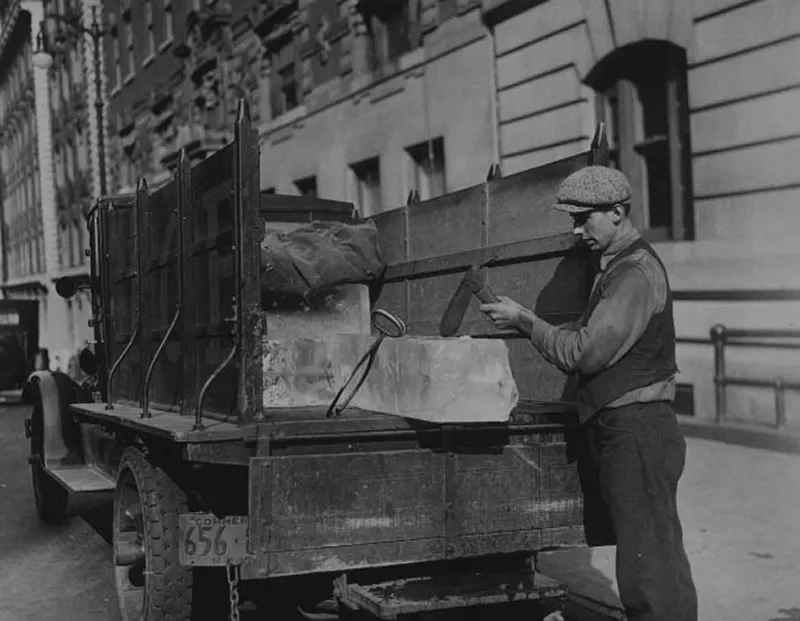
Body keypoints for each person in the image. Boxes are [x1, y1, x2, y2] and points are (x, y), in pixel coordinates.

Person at [480, 165, 698, 621]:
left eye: (584, 218)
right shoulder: (616, 268)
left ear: (617, 212)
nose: (577, 231)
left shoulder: (634, 274)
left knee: (649, 571)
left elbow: (584, 353)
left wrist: (525, 322)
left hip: (637, 432)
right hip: (629, 430)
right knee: (652, 559)